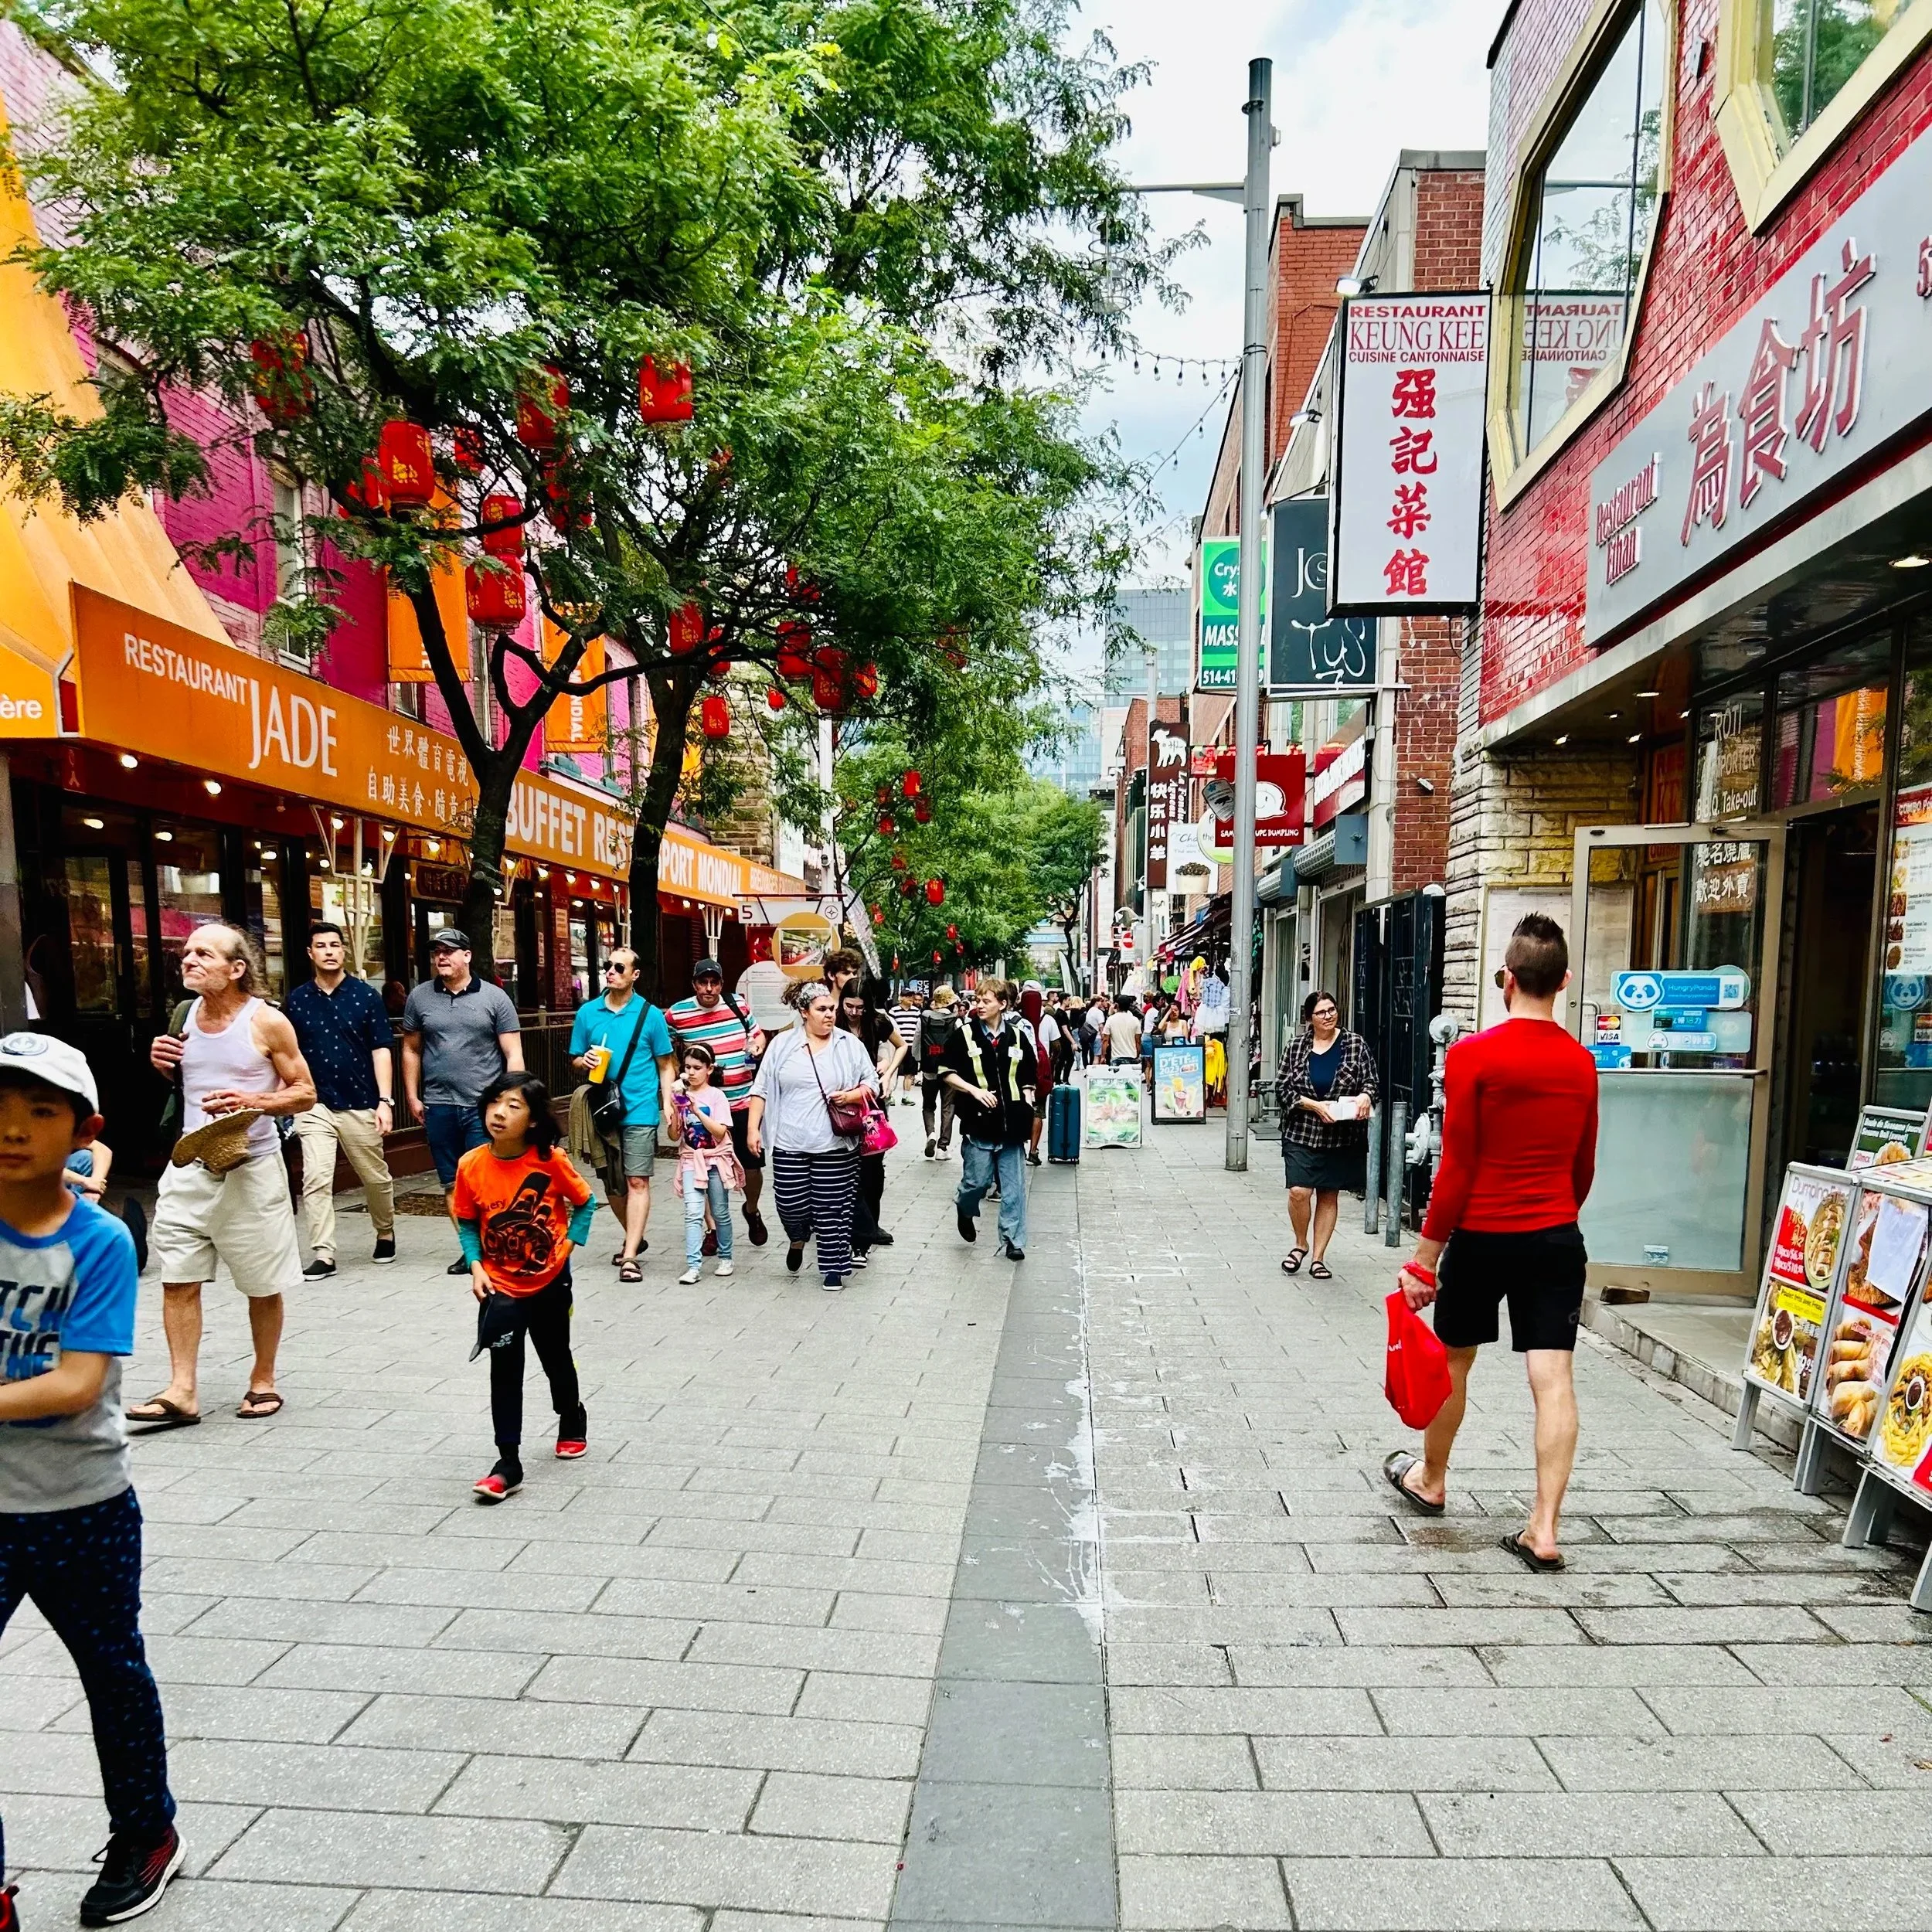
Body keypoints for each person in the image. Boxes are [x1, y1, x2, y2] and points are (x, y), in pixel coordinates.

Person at [0, 1033, 183, 1930]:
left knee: (114, 1672)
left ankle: (146, 1832)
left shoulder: (99, 1241)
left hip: (83, 1506)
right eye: (0, 1110)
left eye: (39, 1112)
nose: (13, 1130)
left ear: (84, 1131)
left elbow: (77, 1382)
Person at [1386, 913, 1600, 1571]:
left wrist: (1425, 1258)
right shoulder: (1582, 1063)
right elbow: (1583, 1166)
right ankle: (1544, 1528)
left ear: (1505, 979)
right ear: (1563, 982)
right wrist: (1555, 1216)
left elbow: (1456, 1166)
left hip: (1481, 1236)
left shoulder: (1471, 1056)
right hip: (1555, 1237)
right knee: (1553, 1377)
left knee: (1455, 1361)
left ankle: (1432, 1479)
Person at [132, 924, 315, 1427]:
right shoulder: (183, 1015)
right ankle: (182, 1390)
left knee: (262, 1283)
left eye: (203, 954)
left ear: (237, 969)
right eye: (187, 952)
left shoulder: (267, 1021)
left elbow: (304, 1092)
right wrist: (162, 1064)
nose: (188, 960)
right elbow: (188, 1080)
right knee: (178, 1277)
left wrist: (253, 1100)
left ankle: (263, 1379)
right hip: (189, 1166)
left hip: (252, 1168)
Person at [454, 1073, 594, 1504]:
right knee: (504, 1371)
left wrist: (568, 1246)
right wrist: (475, 1265)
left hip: (551, 1281)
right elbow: (467, 1221)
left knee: (555, 1356)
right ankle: (508, 1463)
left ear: (533, 1120)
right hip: (500, 1288)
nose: (499, 1113)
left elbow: (585, 1202)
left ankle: (571, 1415)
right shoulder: (471, 1165)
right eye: (495, 1102)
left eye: (513, 1106)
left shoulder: (549, 1160)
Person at [400, 930, 523, 1277]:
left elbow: (513, 1053)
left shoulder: (495, 998)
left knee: (485, 1180)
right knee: (452, 1182)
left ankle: (493, 1247)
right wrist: (412, 1095)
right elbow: (411, 1049)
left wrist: (511, 1100)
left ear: (467, 956)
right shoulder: (420, 997)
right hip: (438, 1104)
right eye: (436, 951)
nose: (441, 957)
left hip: (483, 1107)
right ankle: (472, 1252)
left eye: (449, 951)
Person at [745, 984, 878, 1291]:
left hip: (836, 1144)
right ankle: (797, 1237)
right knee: (790, 1204)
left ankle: (833, 1270)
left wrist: (851, 1096)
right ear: (804, 1012)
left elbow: (873, 1084)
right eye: (821, 1010)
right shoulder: (782, 1045)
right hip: (789, 1141)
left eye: (832, 1009)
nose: (829, 1015)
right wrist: (753, 1129)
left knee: (832, 1209)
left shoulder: (849, 1045)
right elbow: (760, 1089)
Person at [284, 922, 397, 1278]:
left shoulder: (366, 996)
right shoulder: (297, 1000)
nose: (329, 951)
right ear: (310, 953)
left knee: (375, 1178)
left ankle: (385, 1231)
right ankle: (324, 1253)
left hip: (360, 1101)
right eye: (321, 946)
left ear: (343, 951)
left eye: (335, 945)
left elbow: (381, 1049)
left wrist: (385, 1101)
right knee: (316, 1178)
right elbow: (286, 1053)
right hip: (314, 1103)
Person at [568, 947, 674, 1284]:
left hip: (640, 1109)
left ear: (635, 975)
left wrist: (669, 1103)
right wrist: (583, 1062)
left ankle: (630, 1257)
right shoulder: (588, 1013)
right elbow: (575, 1058)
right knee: (612, 1183)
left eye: (619, 967)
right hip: (603, 1108)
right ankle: (635, 1236)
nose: (611, 972)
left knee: (637, 1180)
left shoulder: (650, 1016)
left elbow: (665, 1064)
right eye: (607, 966)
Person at [665, 957, 770, 1250]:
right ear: (694, 984)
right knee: (707, 1166)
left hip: (742, 1101)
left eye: (714, 983)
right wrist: (676, 1082)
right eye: (703, 983)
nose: (709, 989)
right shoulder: (677, 1014)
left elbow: (757, 1035)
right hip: (703, 1107)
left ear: (722, 984)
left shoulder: (738, 1005)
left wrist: (757, 1045)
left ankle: (751, 1210)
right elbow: (664, 1051)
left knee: (752, 1165)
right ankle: (712, 1229)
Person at [1276, 991, 1378, 1281]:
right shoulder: (1296, 1047)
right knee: (1299, 1191)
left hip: (1340, 1134)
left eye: (1332, 1010)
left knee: (1328, 1194)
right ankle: (1300, 1243)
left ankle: (1318, 1258)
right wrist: (1313, 1105)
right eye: (1321, 1012)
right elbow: (1282, 1088)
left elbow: (1371, 1081)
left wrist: (1365, 1096)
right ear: (1310, 1018)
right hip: (1302, 1131)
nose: (1329, 1016)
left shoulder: (1355, 1044)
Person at [942, 978, 1036, 1261]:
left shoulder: (1018, 1036)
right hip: (979, 1123)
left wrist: (1028, 1102)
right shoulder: (964, 1034)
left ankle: (1013, 1240)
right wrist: (975, 1091)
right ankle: (965, 1207)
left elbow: (1028, 1074)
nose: (979, 1006)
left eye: (986, 1001)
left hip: (1012, 1124)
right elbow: (946, 1071)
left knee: (1013, 1188)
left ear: (1002, 1004)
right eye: (977, 1001)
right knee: (977, 1183)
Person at [838, 985, 906, 1267]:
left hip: (871, 1106)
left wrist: (888, 1071)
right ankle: (851, 1231)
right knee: (843, 1169)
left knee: (872, 1171)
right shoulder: (833, 1020)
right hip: (839, 1105)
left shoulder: (877, 1022)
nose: (854, 1013)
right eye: (849, 1006)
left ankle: (867, 1230)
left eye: (860, 1007)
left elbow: (902, 1045)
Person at [672, 1042, 743, 1284]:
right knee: (693, 1213)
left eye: (697, 1068)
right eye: (687, 1067)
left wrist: (696, 1110)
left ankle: (726, 1257)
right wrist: (675, 1111)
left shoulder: (717, 1097)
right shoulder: (680, 1096)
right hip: (691, 1159)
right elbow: (674, 1135)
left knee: (720, 1212)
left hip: (716, 1159)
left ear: (709, 1069)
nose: (691, 1073)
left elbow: (720, 1131)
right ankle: (693, 1266)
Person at [1016, 982, 1057, 1166]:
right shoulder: (1048, 1019)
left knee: (1018, 1108)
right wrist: (1050, 1062)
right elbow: (1057, 1045)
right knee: (1038, 1111)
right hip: (1040, 1072)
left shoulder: (1016, 1020)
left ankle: (1018, 1147)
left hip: (1017, 1072)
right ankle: (1033, 1151)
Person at [919, 987, 960, 1158]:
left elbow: (917, 1043)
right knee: (948, 1106)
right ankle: (943, 1148)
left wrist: (921, 1062)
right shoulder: (956, 1021)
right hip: (949, 1071)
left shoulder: (924, 1018)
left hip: (929, 1070)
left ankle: (931, 1134)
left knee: (928, 1106)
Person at [1103, 996, 1141, 1066]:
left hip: (1116, 1057)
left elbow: (1105, 1040)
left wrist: (1103, 1056)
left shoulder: (1111, 1019)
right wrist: (1138, 1054)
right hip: (1132, 1056)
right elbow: (1138, 1041)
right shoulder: (1135, 1020)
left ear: (1117, 1005)